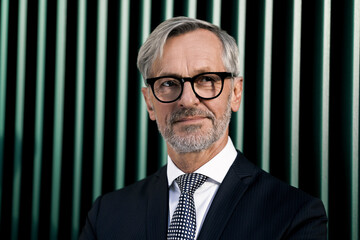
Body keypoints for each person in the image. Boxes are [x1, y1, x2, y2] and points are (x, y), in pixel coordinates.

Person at [80, 16, 327, 239]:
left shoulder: (295, 215)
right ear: (150, 103)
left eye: (207, 79)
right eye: (168, 83)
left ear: (236, 93)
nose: (187, 99)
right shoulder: (107, 215)